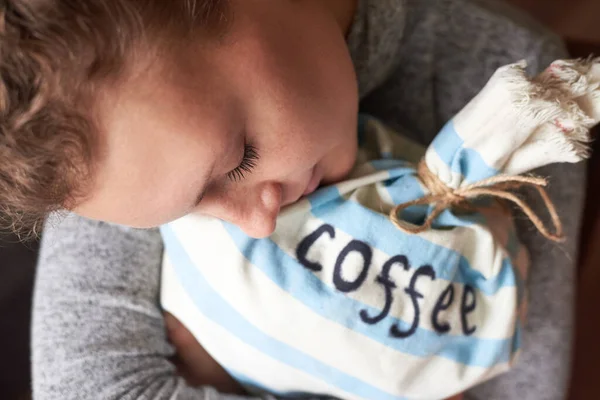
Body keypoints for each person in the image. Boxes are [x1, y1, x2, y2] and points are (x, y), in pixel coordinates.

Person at [0, 0, 580, 399]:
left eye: (239, 160)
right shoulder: (85, 130)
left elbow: (522, 383)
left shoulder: (523, 94)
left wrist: (215, 375)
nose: (256, 223)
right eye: (187, 212)